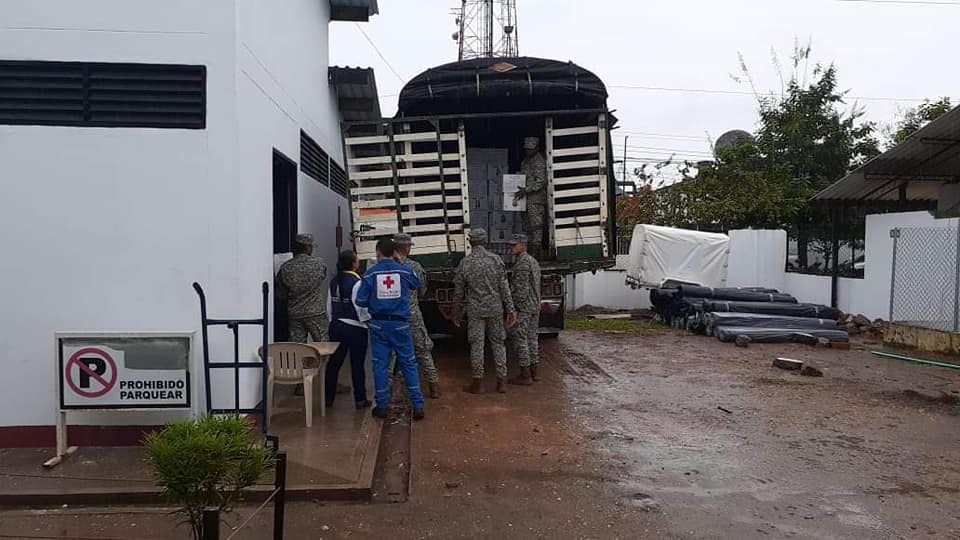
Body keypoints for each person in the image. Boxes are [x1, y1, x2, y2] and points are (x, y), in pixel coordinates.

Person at [355, 238, 426, 420]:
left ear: (378, 253)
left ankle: (382, 407)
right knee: (409, 363)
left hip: (378, 325)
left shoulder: (370, 274)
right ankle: (418, 406)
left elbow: (360, 301)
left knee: (380, 365)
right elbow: (417, 285)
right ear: (395, 252)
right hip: (401, 324)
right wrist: (400, 261)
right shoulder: (404, 270)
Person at [453, 228, 517, 394]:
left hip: (475, 311)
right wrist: (511, 309)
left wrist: (456, 313)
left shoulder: (465, 263)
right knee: (498, 344)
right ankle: (502, 382)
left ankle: (478, 383)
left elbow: (458, 292)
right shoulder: (495, 260)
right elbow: (505, 288)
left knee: (477, 345)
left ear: (469, 242)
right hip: (495, 308)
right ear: (485, 241)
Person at [393, 233, 442, 399]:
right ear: (407, 247)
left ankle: (396, 392)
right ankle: (433, 387)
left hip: (393, 316)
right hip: (412, 314)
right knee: (423, 350)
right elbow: (422, 290)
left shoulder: (386, 266)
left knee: (395, 354)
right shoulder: (415, 266)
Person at [324, 250, 372, 410]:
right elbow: (360, 306)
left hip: (337, 326)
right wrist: (367, 323)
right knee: (357, 364)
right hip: (355, 328)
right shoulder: (357, 282)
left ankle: (328, 399)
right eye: (357, 260)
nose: (358, 262)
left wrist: (333, 323)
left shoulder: (334, 281)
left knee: (334, 363)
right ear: (353, 264)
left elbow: (329, 306)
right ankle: (360, 399)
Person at [276, 233, 329, 344]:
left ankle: (300, 362)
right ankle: (322, 362)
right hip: (316, 313)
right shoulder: (319, 264)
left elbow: (281, 294)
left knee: (297, 347)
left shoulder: (285, 267)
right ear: (308, 247)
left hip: (295, 314)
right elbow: (322, 277)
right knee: (323, 345)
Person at [506, 234, 543, 386]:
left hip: (525, 307)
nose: (511, 248)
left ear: (523, 245)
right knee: (533, 338)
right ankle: (535, 372)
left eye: (514, 245)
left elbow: (521, 291)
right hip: (535, 305)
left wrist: (514, 309)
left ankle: (525, 374)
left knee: (521, 339)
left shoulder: (522, 264)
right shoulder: (533, 261)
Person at [515, 136, 548, 259]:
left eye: (530, 149)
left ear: (536, 148)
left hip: (535, 200)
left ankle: (536, 253)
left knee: (536, 226)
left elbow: (541, 181)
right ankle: (529, 252)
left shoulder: (539, 161)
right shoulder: (525, 161)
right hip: (525, 199)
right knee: (527, 226)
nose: (528, 151)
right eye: (526, 149)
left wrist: (526, 190)